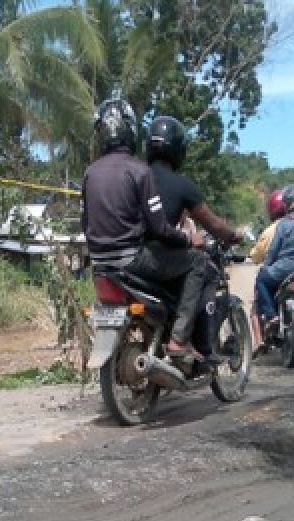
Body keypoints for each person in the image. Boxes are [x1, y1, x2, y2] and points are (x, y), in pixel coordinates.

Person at [81, 99, 206, 361]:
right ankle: (179, 340)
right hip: (133, 261)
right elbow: (160, 228)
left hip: (100, 264)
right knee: (198, 263)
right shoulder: (139, 171)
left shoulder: (90, 173)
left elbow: (86, 223)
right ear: (131, 131)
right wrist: (186, 239)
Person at [144, 115, 242, 361]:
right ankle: (180, 340)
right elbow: (213, 224)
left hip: (134, 257)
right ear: (178, 149)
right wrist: (232, 235)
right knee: (201, 265)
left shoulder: (136, 176)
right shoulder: (182, 185)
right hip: (160, 258)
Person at [254, 184, 294, 340]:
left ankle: (271, 316)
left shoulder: (283, 224)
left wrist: (267, 265)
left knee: (261, 281)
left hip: (282, 270)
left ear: (289, 204)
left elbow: (273, 251)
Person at [249, 189, 287, 265]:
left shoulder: (270, 231)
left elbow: (256, 257)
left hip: (277, 273)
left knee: (261, 275)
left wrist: (253, 254)